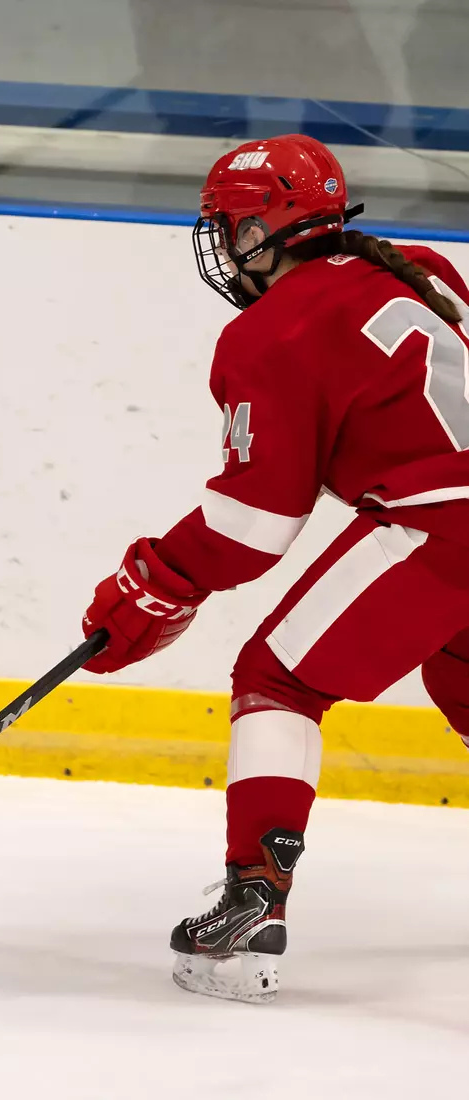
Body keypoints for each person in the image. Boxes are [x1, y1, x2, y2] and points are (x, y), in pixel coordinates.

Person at [78, 133, 469, 1002]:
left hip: (444, 525)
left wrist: (157, 576)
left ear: (266, 227)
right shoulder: (417, 266)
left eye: (229, 226)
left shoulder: (270, 333)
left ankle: (254, 899)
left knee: (278, 680)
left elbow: (256, 524)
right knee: (464, 682)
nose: (221, 244)